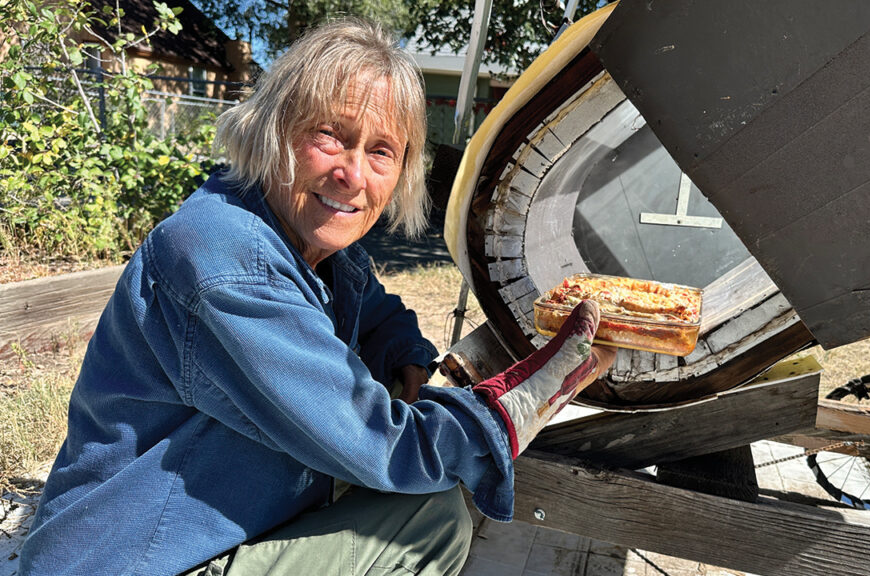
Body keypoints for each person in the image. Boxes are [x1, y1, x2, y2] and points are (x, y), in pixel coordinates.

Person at [17, 17, 615, 576]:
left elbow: (369, 304)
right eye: (331, 136)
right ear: (275, 129)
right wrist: (518, 403)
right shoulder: (226, 260)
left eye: (381, 151)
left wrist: (404, 349)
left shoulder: (301, 235)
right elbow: (384, 443)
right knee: (427, 519)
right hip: (136, 556)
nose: (353, 175)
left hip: (186, 528)